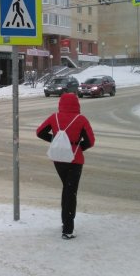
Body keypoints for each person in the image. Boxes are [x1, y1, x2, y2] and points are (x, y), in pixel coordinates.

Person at [36, 93, 95, 240]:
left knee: (66, 190)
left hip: (58, 158)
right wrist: (78, 146)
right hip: (75, 159)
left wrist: (56, 140)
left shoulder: (54, 117)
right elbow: (90, 141)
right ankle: (68, 229)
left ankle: (65, 222)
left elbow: (40, 132)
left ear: (61, 103)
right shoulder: (81, 119)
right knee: (70, 192)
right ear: (77, 104)